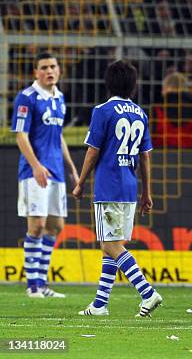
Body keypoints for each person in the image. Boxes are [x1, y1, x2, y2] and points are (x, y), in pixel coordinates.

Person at [72, 60, 162, 317]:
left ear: (107, 83)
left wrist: (80, 183)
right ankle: (100, 304)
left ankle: (147, 292)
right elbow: (145, 156)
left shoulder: (102, 110)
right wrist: (147, 192)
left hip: (108, 185)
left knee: (110, 244)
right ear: (133, 86)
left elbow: (93, 151)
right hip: (129, 186)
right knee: (111, 245)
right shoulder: (140, 113)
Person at [11, 51, 78, 298]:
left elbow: (59, 136)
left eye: (53, 66)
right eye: (44, 67)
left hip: (57, 172)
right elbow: (20, 136)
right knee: (37, 225)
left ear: (59, 70)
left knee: (56, 226)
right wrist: (37, 165)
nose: (49, 71)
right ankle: (33, 286)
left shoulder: (60, 98)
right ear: (35, 73)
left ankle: (43, 284)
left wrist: (71, 168)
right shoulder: (26, 97)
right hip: (33, 171)